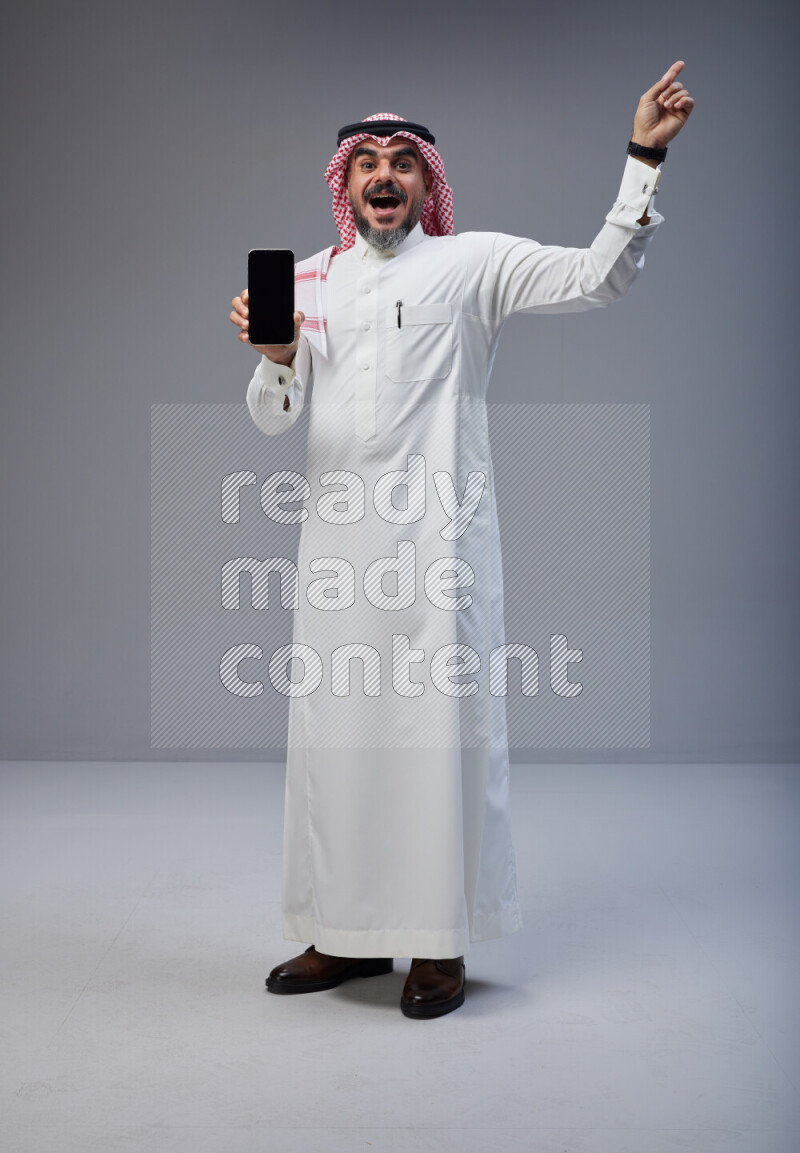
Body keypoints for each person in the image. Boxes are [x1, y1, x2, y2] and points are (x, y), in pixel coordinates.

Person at [230, 63, 694, 1019]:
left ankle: (434, 941)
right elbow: (276, 420)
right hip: (336, 557)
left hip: (439, 552)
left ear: (426, 182)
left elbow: (597, 275)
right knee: (338, 741)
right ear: (345, 183)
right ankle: (344, 932)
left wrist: (642, 157)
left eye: (404, 161)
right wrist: (277, 361)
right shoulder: (311, 281)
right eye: (369, 164)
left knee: (434, 743)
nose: (386, 177)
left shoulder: (472, 263)